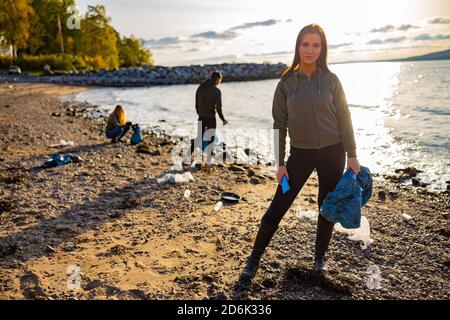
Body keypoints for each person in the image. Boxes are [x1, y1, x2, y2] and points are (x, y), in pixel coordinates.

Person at [240, 24, 361, 281]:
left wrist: (352, 154)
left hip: (333, 152)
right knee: (279, 204)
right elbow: (278, 125)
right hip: (300, 154)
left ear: (322, 48)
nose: (310, 50)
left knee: (326, 207)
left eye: (316, 45)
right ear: (297, 46)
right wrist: (280, 162)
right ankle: (253, 259)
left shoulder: (331, 80)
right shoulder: (286, 83)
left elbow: (345, 117)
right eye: (305, 44)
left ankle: (320, 258)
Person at [192, 71, 228, 153]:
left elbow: (196, 105)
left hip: (201, 116)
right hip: (211, 118)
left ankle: (188, 156)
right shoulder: (216, 91)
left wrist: (200, 114)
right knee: (211, 137)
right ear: (218, 79)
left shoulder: (200, 88)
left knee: (199, 138)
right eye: (220, 80)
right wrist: (223, 120)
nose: (219, 82)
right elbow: (219, 108)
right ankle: (209, 158)